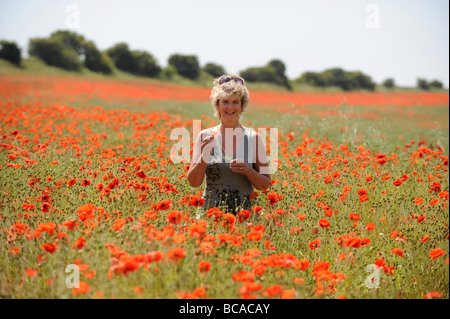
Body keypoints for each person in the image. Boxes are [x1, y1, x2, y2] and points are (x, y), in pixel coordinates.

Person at [186, 74, 272, 214]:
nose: (230, 107)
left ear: (242, 105)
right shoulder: (204, 136)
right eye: (225, 101)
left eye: (235, 102)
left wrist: (248, 170)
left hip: (245, 215)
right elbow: (194, 183)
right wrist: (204, 156)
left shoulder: (253, 138)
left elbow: (265, 185)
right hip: (211, 215)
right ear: (217, 104)